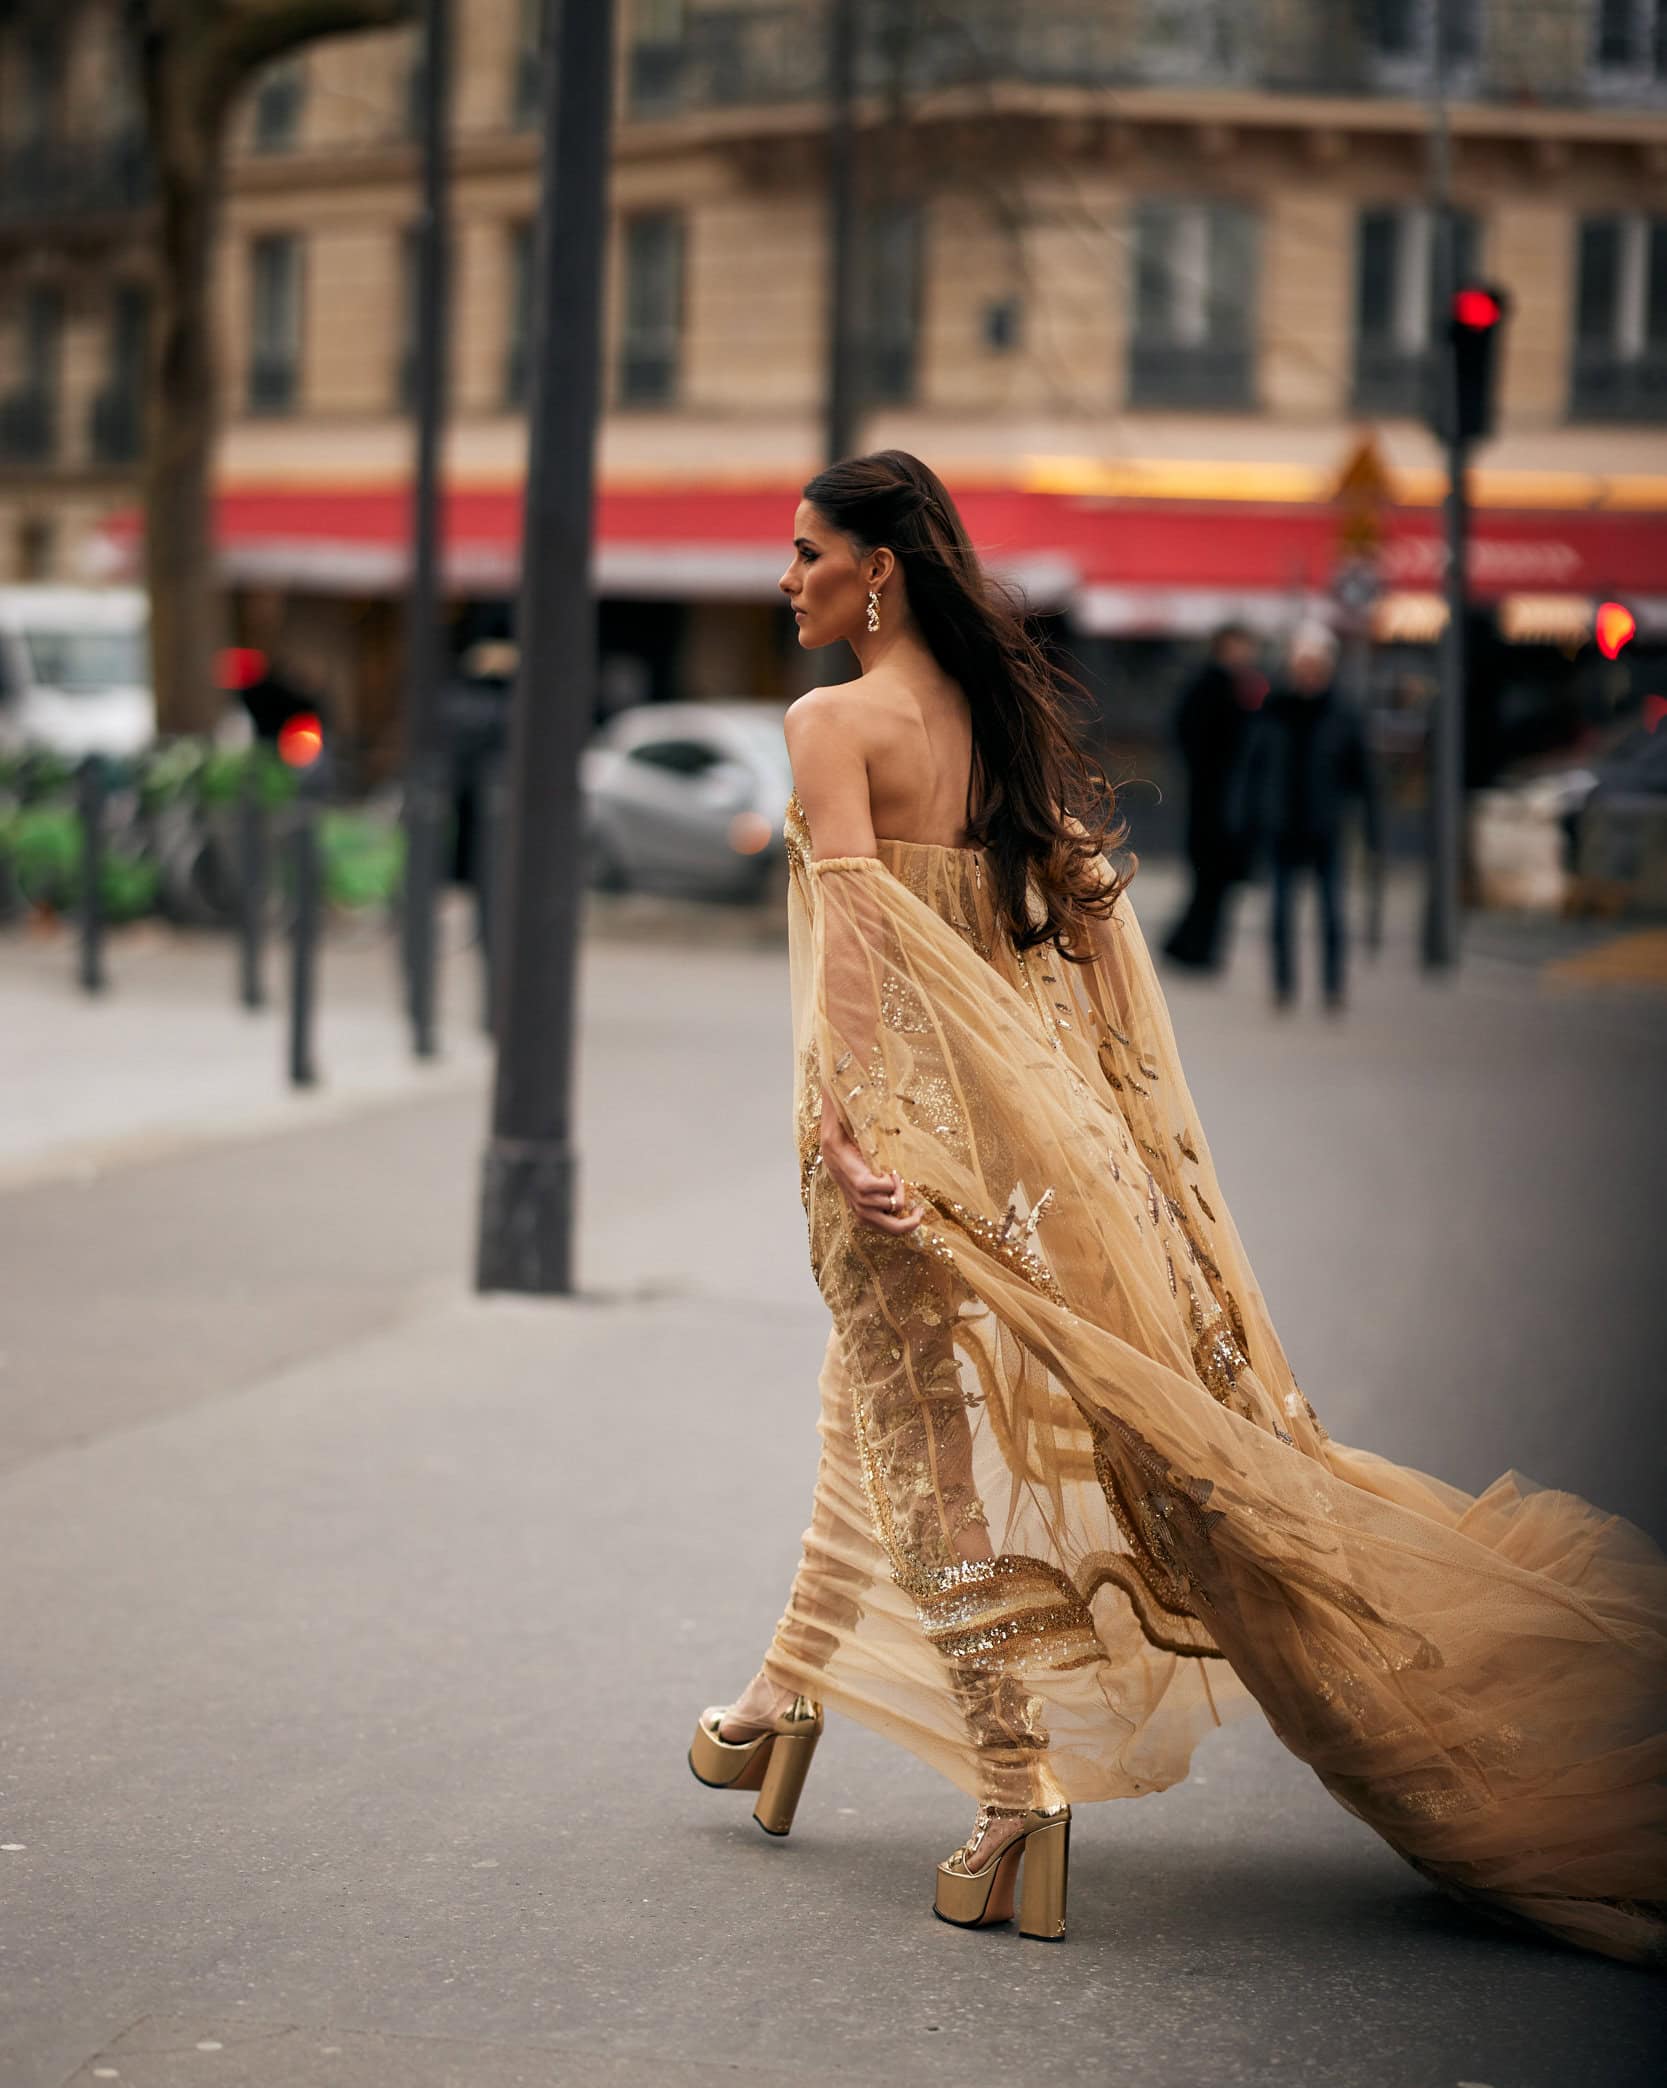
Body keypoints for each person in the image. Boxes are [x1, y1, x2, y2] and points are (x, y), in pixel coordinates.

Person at [688, 449, 1667, 1964]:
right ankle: (774, 1709)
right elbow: (1065, 954)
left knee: (922, 1451)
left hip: (895, 1150)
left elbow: (859, 955)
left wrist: (850, 1130)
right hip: (1016, 1148)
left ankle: (1016, 1794)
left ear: (874, 569)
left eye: (804, 550)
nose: (785, 575)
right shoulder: (990, 725)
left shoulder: (830, 723)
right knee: (867, 1411)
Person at [1228, 621, 1381, 1012]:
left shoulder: (1342, 714)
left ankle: (1332, 987)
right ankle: (1283, 986)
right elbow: (1251, 767)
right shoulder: (1274, 711)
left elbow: (1363, 775)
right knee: (1279, 913)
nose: (1308, 671)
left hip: (1325, 826)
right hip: (1281, 825)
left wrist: (1372, 826)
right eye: (1303, 663)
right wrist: (1242, 819)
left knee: (1332, 913)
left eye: (1315, 664)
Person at [1161, 623, 1261, 974]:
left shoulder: (1235, 687)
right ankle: (1194, 948)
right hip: (1215, 803)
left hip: (1218, 801)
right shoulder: (1216, 689)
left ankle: (1192, 946)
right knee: (1210, 882)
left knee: (1212, 883)